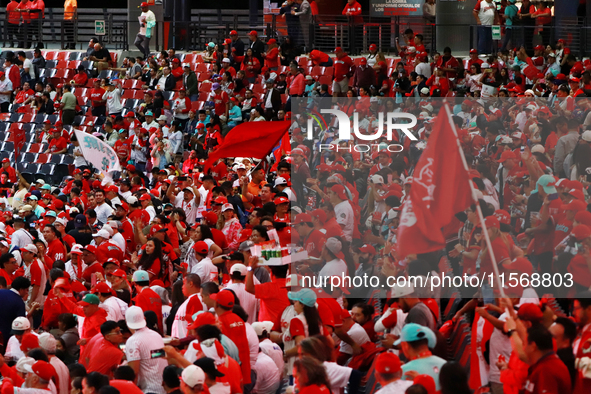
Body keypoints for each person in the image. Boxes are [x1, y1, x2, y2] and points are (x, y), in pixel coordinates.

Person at [125, 306, 168, 394]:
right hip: (164, 388)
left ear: (126, 322)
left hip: (148, 390)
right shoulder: (156, 335)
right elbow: (154, 356)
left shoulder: (132, 341)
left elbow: (134, 372)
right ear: (144, 318)